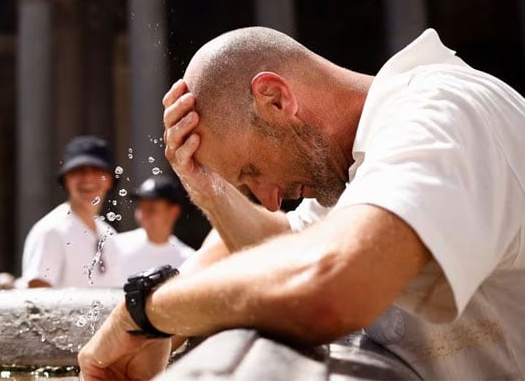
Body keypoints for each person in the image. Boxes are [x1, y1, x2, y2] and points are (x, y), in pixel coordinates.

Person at [78, 27, 525, 380]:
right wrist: (207, 187)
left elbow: (328, 286)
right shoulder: (351, 164)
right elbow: (274, 249)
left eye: (252, 172)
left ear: (275, 98)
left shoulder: (442, 113)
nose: (271, 200)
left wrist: (144, 313)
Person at [19, 135, 119, 288]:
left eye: (97, 170)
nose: (88, 178)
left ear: (110, 180)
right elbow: (38, 302)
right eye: (79, 171)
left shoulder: (109, 234)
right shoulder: (51, 231)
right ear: (66, 179)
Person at [103, 175, 195, 284]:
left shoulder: (188, 259)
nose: (144, 214)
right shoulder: (116, 245)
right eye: (141, 207)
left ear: (173, 212)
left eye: (151, 209)